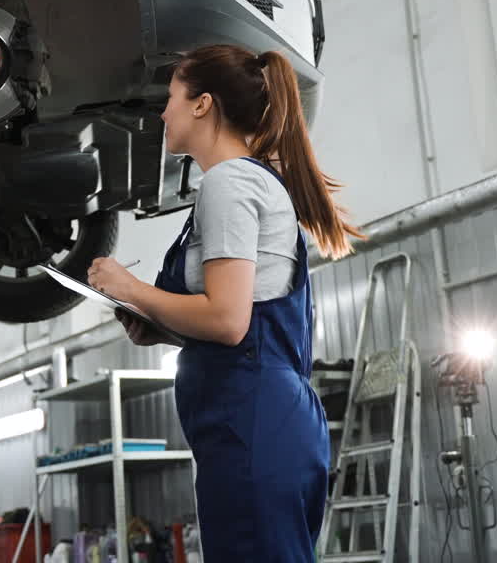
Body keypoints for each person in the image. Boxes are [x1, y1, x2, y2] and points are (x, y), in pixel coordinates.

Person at [87, 44, 361, 562]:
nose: (162, 111)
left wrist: (130, 288)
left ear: (202, 104)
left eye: (170, 97)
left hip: (252, 422)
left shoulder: (230, 184)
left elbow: (229, 321)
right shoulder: (246, 182)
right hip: (261, 422)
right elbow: (243, 318)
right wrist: (161, 324)